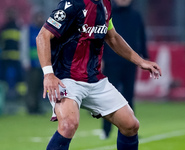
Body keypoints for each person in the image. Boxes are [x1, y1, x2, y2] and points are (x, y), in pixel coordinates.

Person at [36, 0, 162, 149]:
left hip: (94, 79)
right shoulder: (72, 4)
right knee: (68, 125)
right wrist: (49, 74)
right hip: (66, 77)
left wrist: (140, 61)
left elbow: (112, 37)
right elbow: (43, 36)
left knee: (131, 125)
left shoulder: (106, 5)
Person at [102, 0, 149, 139]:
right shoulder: (108, 14)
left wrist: (144, 57)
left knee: (129, 96)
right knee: (109, 97)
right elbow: (105, 37)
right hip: (111, 61)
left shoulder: (136, 15)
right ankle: (106, 130)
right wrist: (101, 58)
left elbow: (142, 36)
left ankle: (130, 130)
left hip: (130, 63)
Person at [21, 11, 45, 114]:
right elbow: (24, 46)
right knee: (32, 87)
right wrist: (25, 61)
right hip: (32, 64)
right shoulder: (28, 30)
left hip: (43, 64)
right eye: (38, 17)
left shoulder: (45, 30)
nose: (40, 19)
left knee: (40, 86)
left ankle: (37, 106)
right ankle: (31, 107)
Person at [0, 9, 24, 100]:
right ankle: (4, 96)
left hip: (15, 57)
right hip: (6, 57)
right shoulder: (5, 28)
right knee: (4, 77)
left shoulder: (18, 28)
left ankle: (21, 96)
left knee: (20, 78)